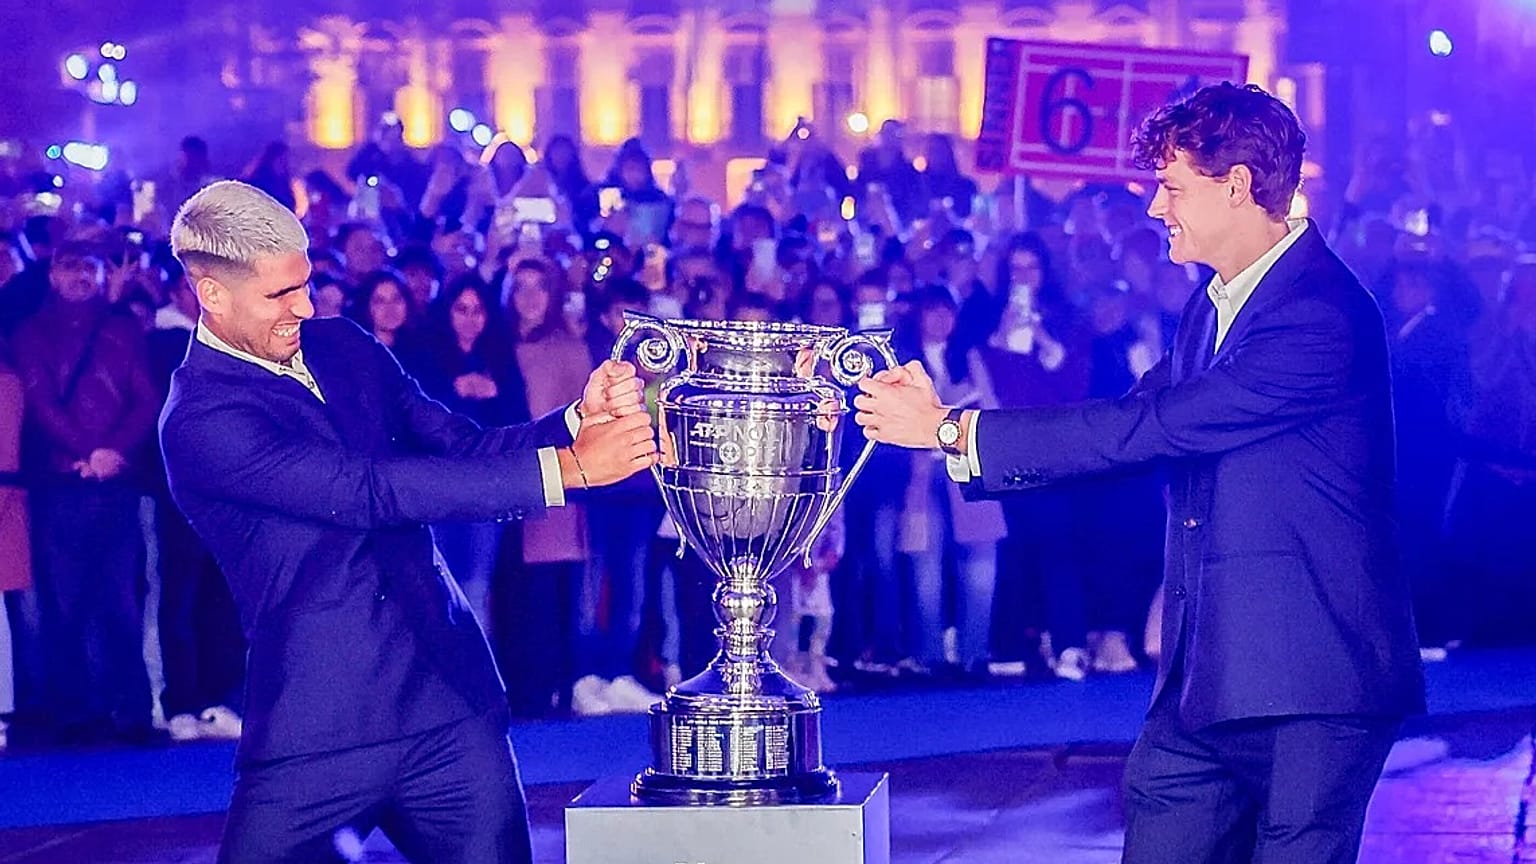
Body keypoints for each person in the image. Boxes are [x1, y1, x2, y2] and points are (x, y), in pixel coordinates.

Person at [853, 83, 1424, 864]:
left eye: (1172, 187)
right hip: (1205, 680)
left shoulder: (1321, 313)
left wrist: (955, 431)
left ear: (1237, 186)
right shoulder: (1211, 307)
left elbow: (1155, 427)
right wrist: (949, 423)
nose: (1157, 208)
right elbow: (1122, 422)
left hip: (1312, 685)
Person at [159, 180, 656, 864]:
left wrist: (575, 419)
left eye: (306, 284)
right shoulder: (200, 420)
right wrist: (568, 468)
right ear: (211, 294)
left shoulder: (339, 343)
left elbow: (459, 445)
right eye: (281, 295)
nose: (305, 307)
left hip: (450, 706)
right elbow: (370, 491)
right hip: (321, 727)